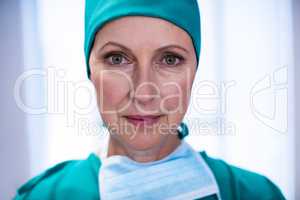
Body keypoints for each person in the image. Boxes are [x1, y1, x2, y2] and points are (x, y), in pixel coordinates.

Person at [14, 0, 285, 199]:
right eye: (117, 58)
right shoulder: (43, 196)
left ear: (194, 71)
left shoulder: (256, 194)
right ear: (90, 70)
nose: (144, 93)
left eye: (170, 59)